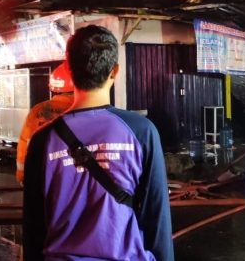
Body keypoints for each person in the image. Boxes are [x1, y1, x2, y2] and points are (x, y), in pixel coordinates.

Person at [23, 25, 174, 261]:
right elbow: (157, 216)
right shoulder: (141, 131)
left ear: (70, 71)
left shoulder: (43, 139)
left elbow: (33, 226)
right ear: (114, 72)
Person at [16, 61, 74, 184]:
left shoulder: (38, 110)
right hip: (74, 176)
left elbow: (24, 143)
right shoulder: (84, 109)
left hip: (42, 174)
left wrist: (22, 174)